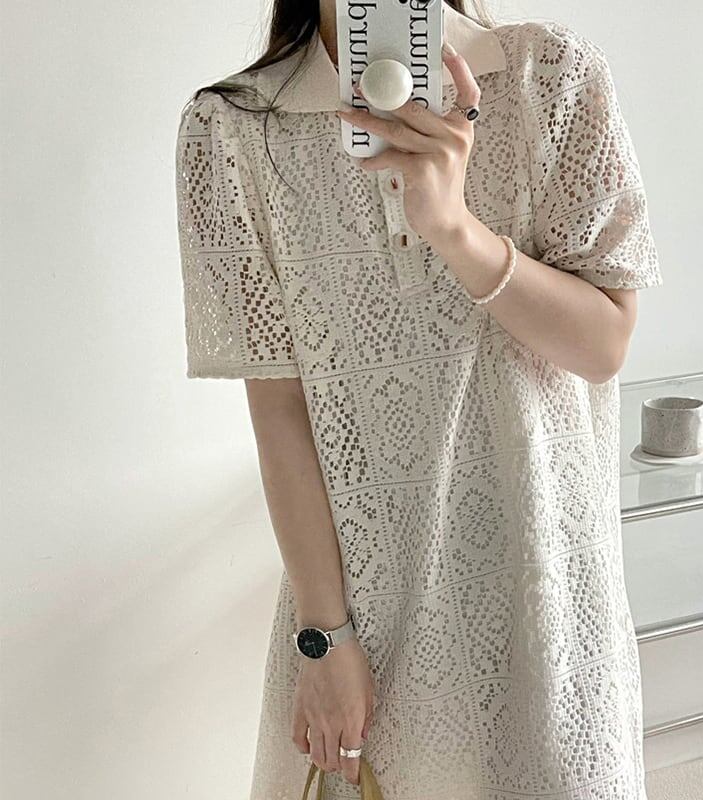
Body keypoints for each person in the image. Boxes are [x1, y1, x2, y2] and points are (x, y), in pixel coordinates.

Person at [174, 1, 663, 798]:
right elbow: (280, 409)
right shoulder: (231, 130)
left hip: (541, 588)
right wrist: (324, 638)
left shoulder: (549, 75)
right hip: (362, 616)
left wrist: (454, 229)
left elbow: (603, 344)